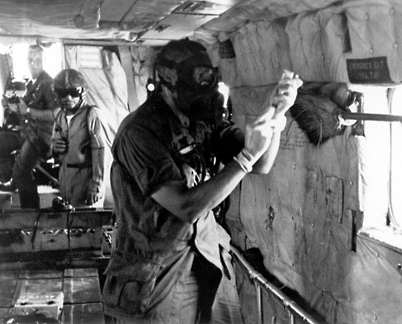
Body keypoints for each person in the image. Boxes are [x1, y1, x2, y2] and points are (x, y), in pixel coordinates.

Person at [102, 38, 302, 324]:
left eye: (209, 80)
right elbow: (186, 207)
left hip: (207, 257)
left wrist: (276, 115)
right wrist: (245, 156)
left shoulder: (201, 120)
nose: (206, 93)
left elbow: (261, 164)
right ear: (167, 82)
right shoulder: (139, 133)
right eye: (197, 83)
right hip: (158, 272)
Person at [2, 44, 59, 208]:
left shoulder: (49, 84)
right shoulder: (33, 85)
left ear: (44, 62)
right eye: (30, 60)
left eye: (38, 60)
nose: (33, 64)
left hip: (42, 138)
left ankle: (31, 214)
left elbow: (56, 113)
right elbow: (24, 108)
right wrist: (11, 106)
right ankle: (10, 180)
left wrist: (29, 110)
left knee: (21, 172)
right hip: (27, 134)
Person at [51, 69, 114, 208]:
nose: (68, 98)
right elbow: (54, 146)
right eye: (63, 93)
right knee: (70, 224)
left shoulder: (93, 115)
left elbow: (102, 153)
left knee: (88, 224)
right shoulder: (60, 116)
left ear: (82, 92)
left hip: (86, 180)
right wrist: (55, 148)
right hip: (66, 179)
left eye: (73, 93)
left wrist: (96, 186)